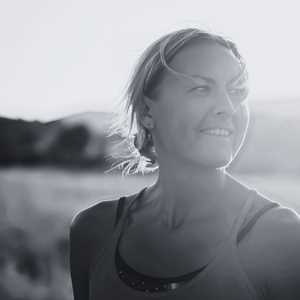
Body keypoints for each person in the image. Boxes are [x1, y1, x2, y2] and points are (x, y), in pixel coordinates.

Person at [69, 28, 300, 299]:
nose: (227, 106)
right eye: (201, 88)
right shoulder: (94, 230)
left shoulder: (279, 237)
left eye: (237, 91)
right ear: (146, 112)